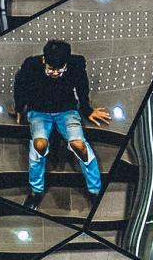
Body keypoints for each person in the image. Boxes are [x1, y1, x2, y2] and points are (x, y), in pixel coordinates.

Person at [14, 39, 111, 211]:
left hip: (66, 110)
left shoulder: (76, 65)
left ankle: (95, 190)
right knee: (39, 145)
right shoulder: (31, 66)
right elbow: (20, 86)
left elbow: (82, 87)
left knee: (79, 146)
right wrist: (19, 108)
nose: (55, 73)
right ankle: (36, 191)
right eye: (51, 69)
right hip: (39, 110)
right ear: (44, 60)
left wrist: (87, 110)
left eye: (60, 69)